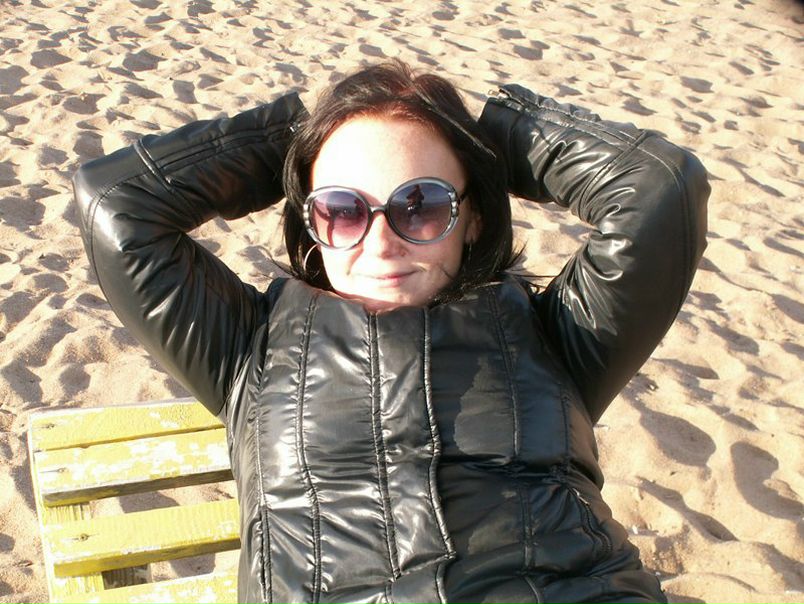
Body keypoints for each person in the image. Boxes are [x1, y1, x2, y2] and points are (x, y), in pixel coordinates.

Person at [73, 60, 709, 603]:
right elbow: (116, 202)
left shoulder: (559, 334)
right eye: (341, 209)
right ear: (310, 222)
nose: (380, 243)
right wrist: (295, 139)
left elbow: (659, 188)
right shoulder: (245, 348)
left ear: (474, 218)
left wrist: (491, 133)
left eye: (421, 205)